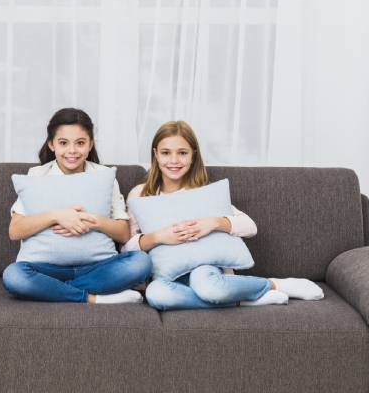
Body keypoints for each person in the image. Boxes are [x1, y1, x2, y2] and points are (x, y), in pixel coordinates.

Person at [123, 120, 324, 310]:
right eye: (166, 153)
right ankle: (239, 300)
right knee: (156, 295)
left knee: (208, 286)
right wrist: (158, 237)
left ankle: (273, 285)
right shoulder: (140, 194)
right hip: (167, 274)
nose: (174, 160)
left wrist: (213, 223)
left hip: (205, 268)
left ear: (193, 155)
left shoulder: (204, 192)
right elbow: (127, 248)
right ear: (155, 154)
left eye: (182, 153)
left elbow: (250, 227)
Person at [2, 108, 152, 304]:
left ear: (90, 145)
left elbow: (123, 233)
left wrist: (90, 221)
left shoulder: (104, 176)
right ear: (52, 144)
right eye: (63, 143)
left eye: (80, 143)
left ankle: (55, 292)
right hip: (46, 269)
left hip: (97, 268)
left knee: (142, 262)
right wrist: (56, 216)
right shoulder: (37, 176)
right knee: (13, 276)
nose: (72, 151)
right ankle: (92, 298)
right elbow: (15, 230)